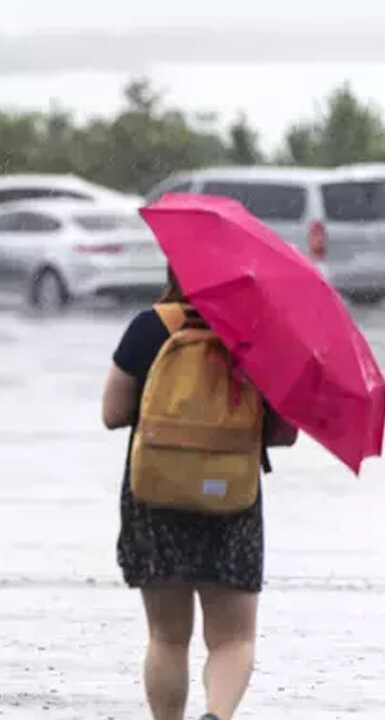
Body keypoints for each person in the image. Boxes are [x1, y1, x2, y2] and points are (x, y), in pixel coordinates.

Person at [101, 269, 298, 720]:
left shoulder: (151, 327)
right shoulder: (258, 334)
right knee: (233, 639)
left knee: (167, 637)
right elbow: (285, 433)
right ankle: (216, 716)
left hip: (154, 495)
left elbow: (112, 412)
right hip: (232, 498)